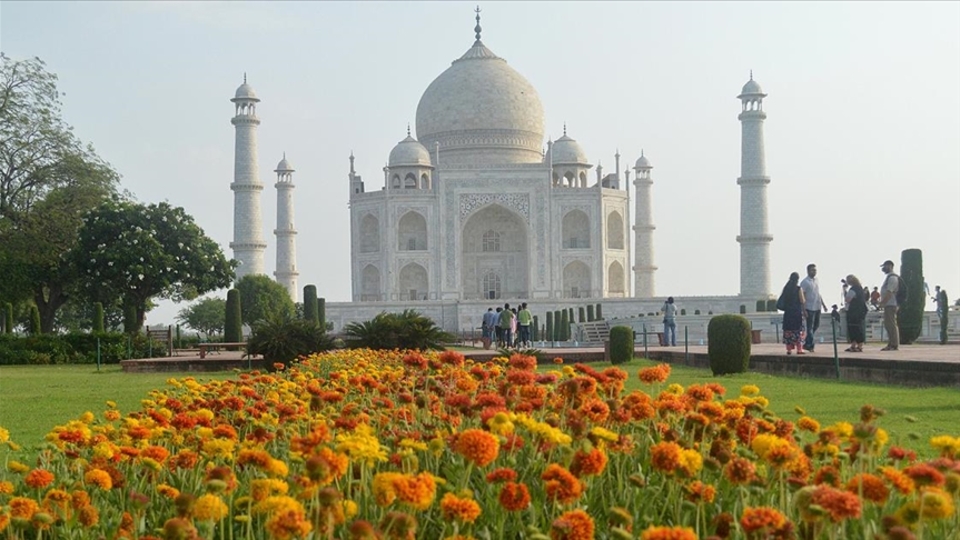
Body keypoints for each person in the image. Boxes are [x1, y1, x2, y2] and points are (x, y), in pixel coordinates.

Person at [800, 263, 827, 352]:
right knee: (810, 327)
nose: (814, 272)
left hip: (817, 306)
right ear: (808, 271)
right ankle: (810, 345)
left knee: (816, 325)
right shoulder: (805, 282)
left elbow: (818, 293)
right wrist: (803, 309)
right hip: (809, 307)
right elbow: (802, 295)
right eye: (812, 270)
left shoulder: (816, 280)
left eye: (815, 270)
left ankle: (807, 342)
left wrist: (823, 304)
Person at [778, 272, 806, 355]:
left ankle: (789, 349)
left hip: (788, 313)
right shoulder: (798, 289)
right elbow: (802, 300)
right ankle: (799, 349)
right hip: (796, 312)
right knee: (798, 330)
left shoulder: (786, 288)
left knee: (788, 331)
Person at [878, 260, 900, 351]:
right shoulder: (889, 277)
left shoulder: (892, 278)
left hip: (891, 304)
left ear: (890, 266)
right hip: (889, 304)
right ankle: (891, 343)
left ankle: (893, 344)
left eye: (885, 266)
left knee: (891, 324)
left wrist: (883, 302)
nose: (883, 268)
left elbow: (889, 292)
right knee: (888, 324)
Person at [843, 274, 868, 352]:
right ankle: (854, 345)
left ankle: (859, 345)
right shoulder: (860, 288)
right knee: (856, 327)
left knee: (854, 328)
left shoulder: (853, 289)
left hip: (854, 311)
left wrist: (844, 290)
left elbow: (847, 299)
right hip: (860, 311)